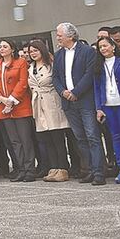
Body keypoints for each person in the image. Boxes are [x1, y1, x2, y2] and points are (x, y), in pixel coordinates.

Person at [52, 22, 105, 184]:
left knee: (93, 137)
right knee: (80, 138)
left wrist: (75, 92)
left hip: (85, 101)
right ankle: (87, 170)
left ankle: (98, 173)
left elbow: (90, 75)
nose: (57, 38)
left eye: (60, 35)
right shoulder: (59, 54)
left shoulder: (88, 51)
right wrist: (63, 92)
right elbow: (55, 77)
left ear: (71, 36)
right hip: (68, 103)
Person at [0, 39, 37, 182]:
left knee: (25, 139)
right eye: (1, 47)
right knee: (14, 141)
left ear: (12, 49)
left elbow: (23, 83)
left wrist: (11, 99)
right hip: (3, 107)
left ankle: (30, 170)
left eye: (5, 47)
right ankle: (20, 168)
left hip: (20, 106)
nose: (2, 49)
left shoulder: (21, 63)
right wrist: (1, 99)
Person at [26, 39, 71, 183]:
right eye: (30, 51)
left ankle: (63, 168)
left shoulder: (51, 64)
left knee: (57, 136)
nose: (33, 53)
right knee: (46, 139)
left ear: (42, 50)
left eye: (35, 50)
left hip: (52, 101)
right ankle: (54, 168)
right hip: (38, 103)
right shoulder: (31, 67)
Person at [94, 35, 120, 184]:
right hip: (108, 105)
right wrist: (99, 108)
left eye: (105, 45)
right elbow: (97, 88)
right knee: (115, 137)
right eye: (100, 47)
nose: (103, 49)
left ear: (113, 46)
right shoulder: (98, 66)